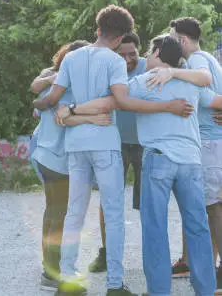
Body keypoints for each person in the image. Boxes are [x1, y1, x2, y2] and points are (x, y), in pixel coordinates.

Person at [34, 5, 192, 296]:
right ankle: (114, 284)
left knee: (74, 213)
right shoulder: (114, 61)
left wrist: (42, 106)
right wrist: (166, 106)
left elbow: (53, 97)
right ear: (120, 38)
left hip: (74, 144)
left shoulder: (72, 58)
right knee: (115, 212)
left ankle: (68, 279)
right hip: (104, 143)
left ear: (98, 30)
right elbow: (122, 101)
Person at [57, 34, 219, 296]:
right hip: (190, 162)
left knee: (155, 228)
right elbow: (214, 99)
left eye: (149, 53)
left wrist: (73, 109)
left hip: (158, 161)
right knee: (197, 227)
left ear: (156, 52)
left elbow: (113, 101)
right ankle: (205, 290)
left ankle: (159, 292)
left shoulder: (144, 82)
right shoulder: (192, 82)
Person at [29, 40, 113, 291]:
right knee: (61, 214)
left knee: (53, 211)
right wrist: (94, 117)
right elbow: (63, 116)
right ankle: (52, 273)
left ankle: (48, 266)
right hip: (57, 157)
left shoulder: (65, 83)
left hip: (45, 153)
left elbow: (51, 110)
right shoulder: (61, 81)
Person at [148, 17, 222, 290]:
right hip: (210, 143)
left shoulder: (197, 61)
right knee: (206, 209)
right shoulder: (203, 60)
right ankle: (205, 268)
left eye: (172, 37)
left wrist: (172, 73)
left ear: (182, 40)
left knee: (213, 209)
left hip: (210, 144)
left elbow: (206, 86)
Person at [89, 32, 146, 274]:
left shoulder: (148, 67)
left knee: (148, 202)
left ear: (139, 51)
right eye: (121, 54)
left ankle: (151, 255)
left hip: (145, 144)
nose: (126, 59)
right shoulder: (107, 67)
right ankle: (106, 251)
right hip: (115, 143)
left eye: (131, 53)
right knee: (108, 200)